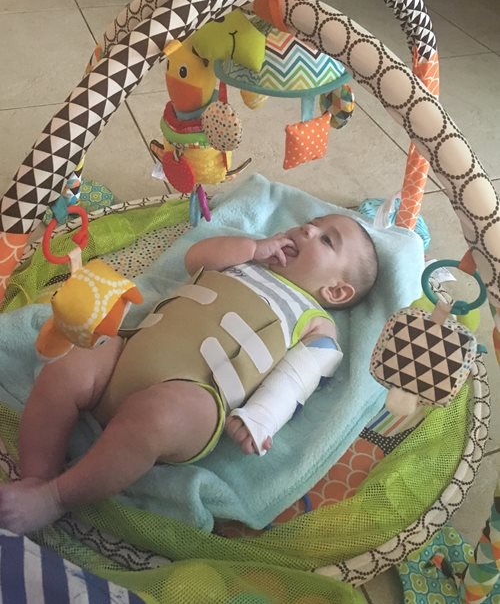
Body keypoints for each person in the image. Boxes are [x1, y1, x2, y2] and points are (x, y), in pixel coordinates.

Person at [0, 213, 378, 535]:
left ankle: (57, 498)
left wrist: (262, 417)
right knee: (65, 369)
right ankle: (37, 476)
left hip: (197, 395)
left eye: (326, 240)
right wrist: (252, 247)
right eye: (309, 224)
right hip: (128, 355)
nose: (307, 231)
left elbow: (302, 375)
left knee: (156, 418)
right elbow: (196, 256)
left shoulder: (315, 320)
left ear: (338, 290)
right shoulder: (247, 261)